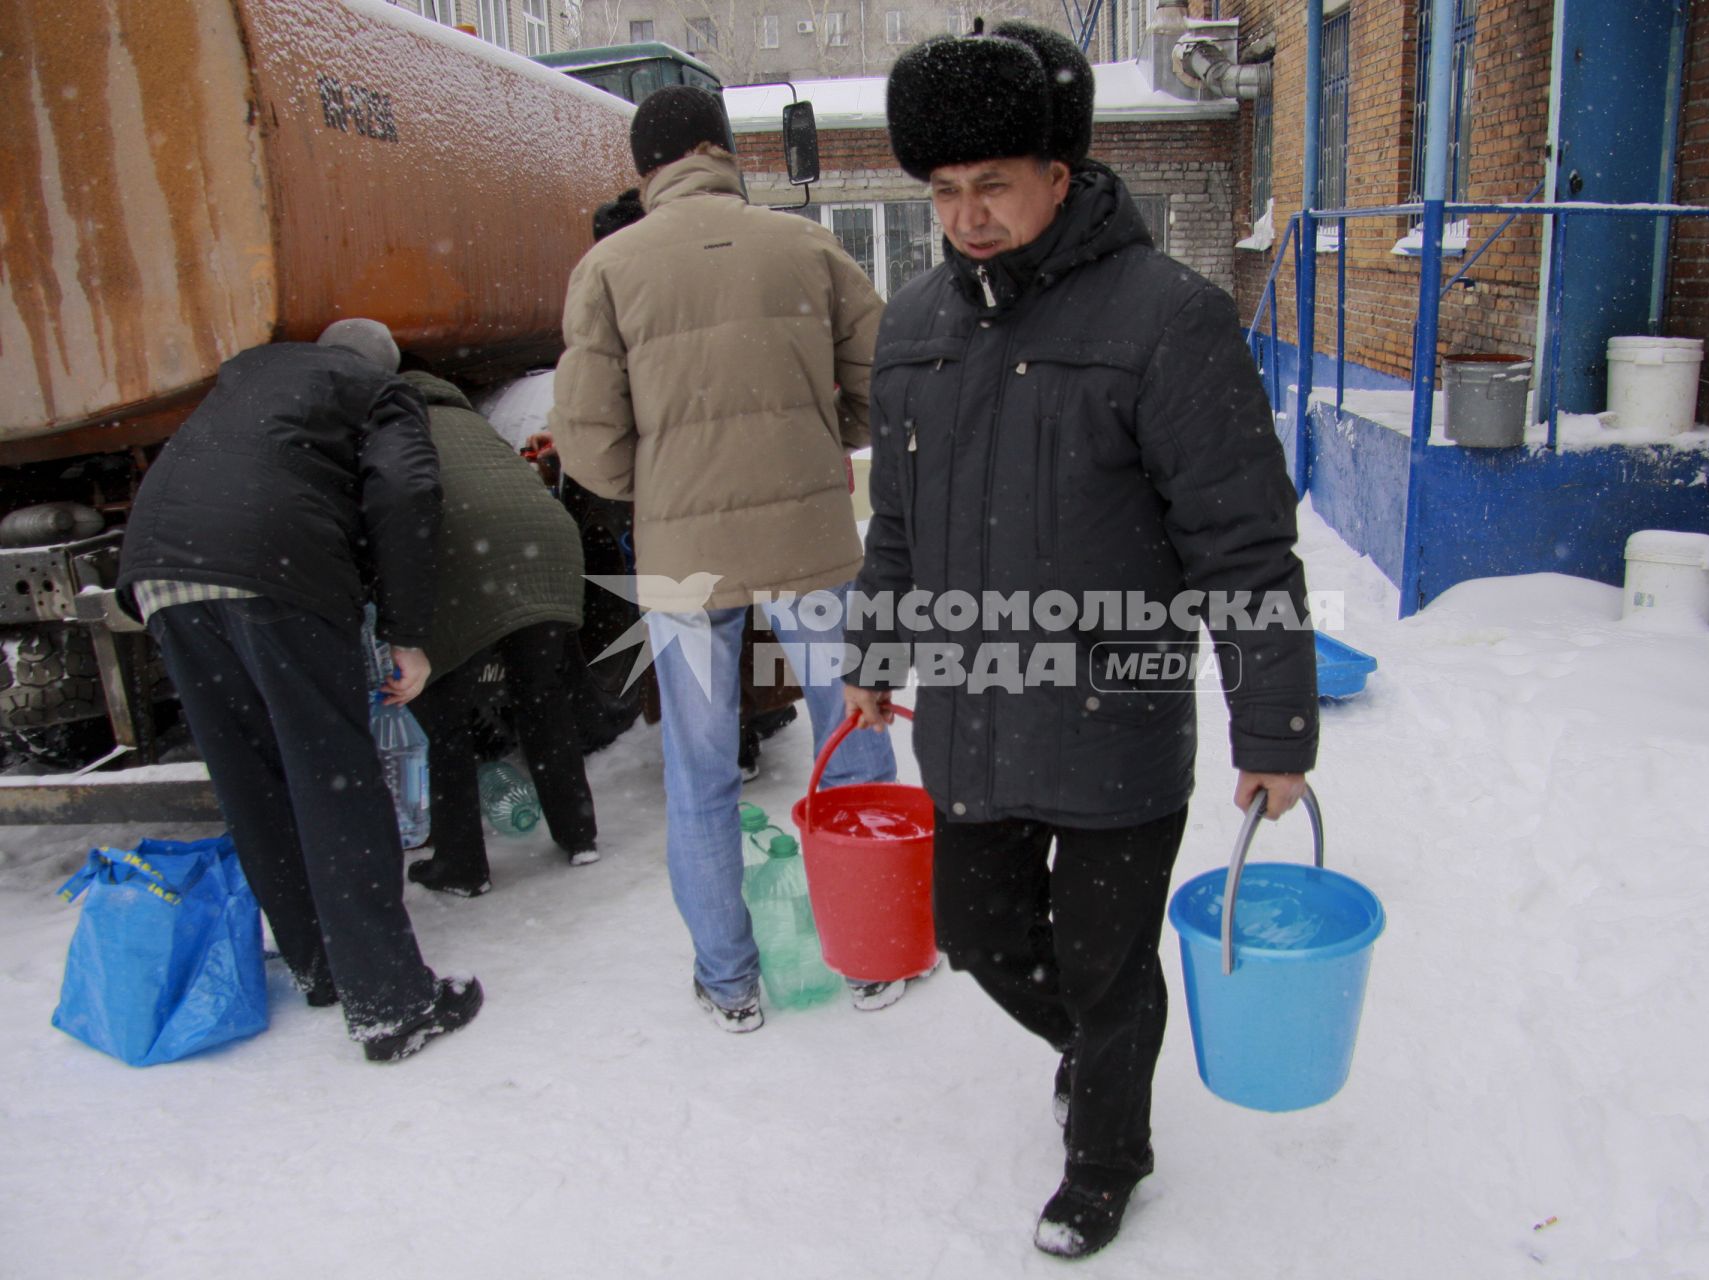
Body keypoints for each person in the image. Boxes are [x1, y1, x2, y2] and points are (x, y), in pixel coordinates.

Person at [842, 25, 1319, 1258]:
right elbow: (895, 526)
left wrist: (1273, 729)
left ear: (1063, 172)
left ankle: (1108, 1150)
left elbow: (1243, 546)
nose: (968, 216)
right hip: (975, 710)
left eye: (993, 183)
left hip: (1118, 714)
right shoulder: (913, 328)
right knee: (981, 937)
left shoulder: (1170, 321)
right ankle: (1099, 1057)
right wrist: (877, 652)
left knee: (1110, 966)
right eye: (944, 192)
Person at [547, 86, 909, 1032]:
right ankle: (871, 952)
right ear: (722, 148)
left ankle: (729, 981)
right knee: (853, 732)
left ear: (645, 169)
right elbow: (888, 383)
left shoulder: (609, 267)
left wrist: (659, 486)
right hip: (812, 539)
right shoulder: (805, 244)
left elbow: (584, 437)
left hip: (681, 558)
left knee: (699, 766)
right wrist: (818, 438)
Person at [115, 319, 482, 1063]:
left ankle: (319, 964)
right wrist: (407, 632)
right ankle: (392, 1005)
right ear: (386, 367)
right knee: (333, 778)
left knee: (252, 778)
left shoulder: (247, 377)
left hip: (158, 573)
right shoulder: (379, 390)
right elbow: (407, 488)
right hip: (270, 562)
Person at [400, 366, 600, 897]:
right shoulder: (470, 420)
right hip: (547, 544)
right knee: (541, 694)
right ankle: (579, 833)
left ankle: (461, 865)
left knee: (441, 711)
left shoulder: (390, 425)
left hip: (472, 555)